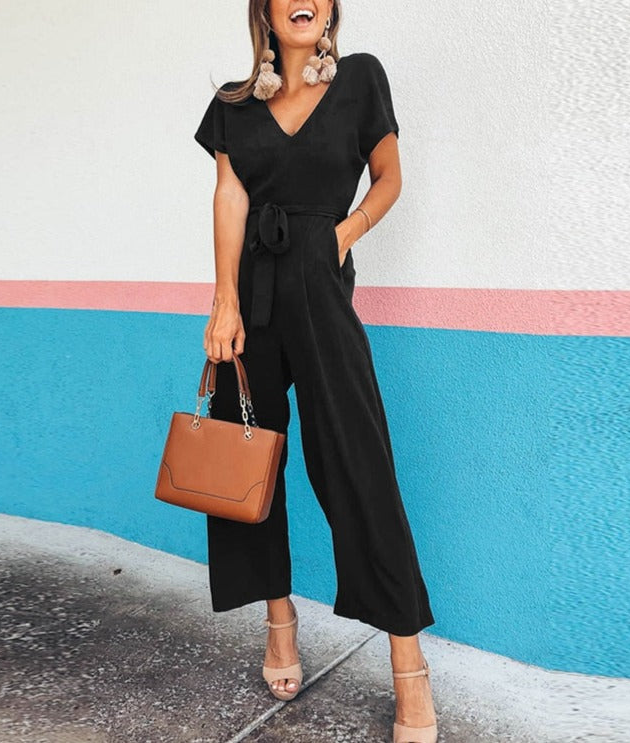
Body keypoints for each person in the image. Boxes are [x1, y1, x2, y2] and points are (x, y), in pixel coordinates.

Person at [194, 2, 438, 741]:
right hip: (250, 293)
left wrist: (343, 233)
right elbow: (230, 195)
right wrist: (223, 301)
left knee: (358, 465)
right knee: (248, 461)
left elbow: (388, 175)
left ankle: (408, 664)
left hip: (320, 283)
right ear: (265, 11)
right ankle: (279, 620)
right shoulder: (234, 103)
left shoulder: (360, 79)